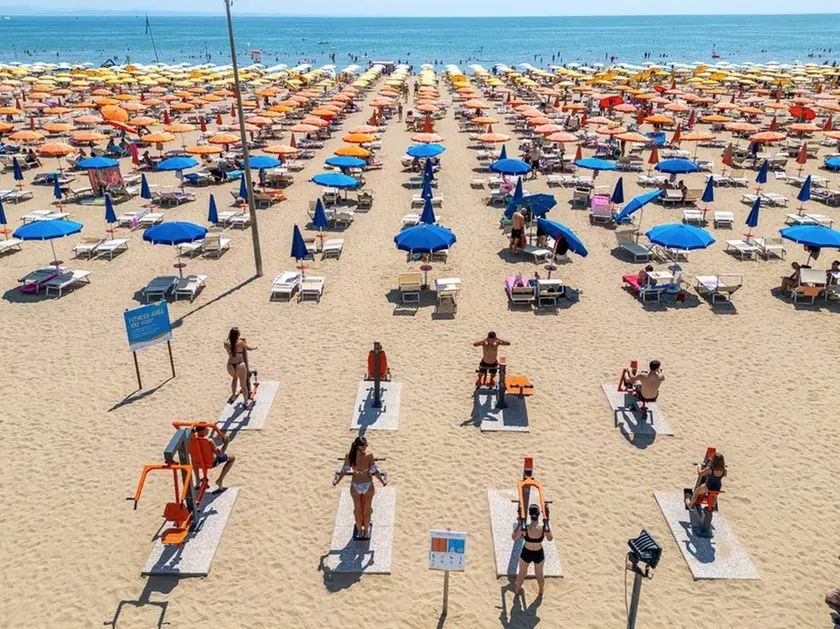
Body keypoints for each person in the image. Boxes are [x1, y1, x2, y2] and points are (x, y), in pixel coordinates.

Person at [333, 436, 387, 540]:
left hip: (355, 484)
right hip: (367, 483)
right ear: (360, 447)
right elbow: (374, 471)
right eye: (365, 445)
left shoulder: (349, 455)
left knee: (357, 510)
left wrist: (337, 481)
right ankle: (366, 531)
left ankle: (360, 531)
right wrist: (382, 481)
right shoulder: (369, 456)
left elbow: (344, 470)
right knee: (367, 511)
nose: (367, 446)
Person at [511, 504, 553, 596]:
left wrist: (519, 524)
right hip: (538, 552)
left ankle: (517, 590)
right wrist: (547, 524)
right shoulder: (542, 528)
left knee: (522, 572)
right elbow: (550, 538)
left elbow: (514, 537)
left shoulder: (525, 528)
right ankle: (541, 590)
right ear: (538, 515)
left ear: (530, 515)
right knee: (539, 573)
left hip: (527, 551)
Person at [193, 425, 236, 490]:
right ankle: (220, 480)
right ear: (202, 431)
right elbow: (220, 454)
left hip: (197, 463)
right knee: (232, 458)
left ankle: (197, 480)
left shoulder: (191, 440)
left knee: (193, 458)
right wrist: (226, 443)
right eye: (207, 429)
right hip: (211, 463)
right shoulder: (209, 441)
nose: (208, 430)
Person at [224, 327, 257, 407]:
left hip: (230, 364)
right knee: (243, 385)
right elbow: (248, 348)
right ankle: (246, 402)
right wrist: (254, 347)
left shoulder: (225, 343)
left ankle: (233, 395)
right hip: (240, 364)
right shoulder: (240, 342)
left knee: (234, 379)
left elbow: (230, 342)